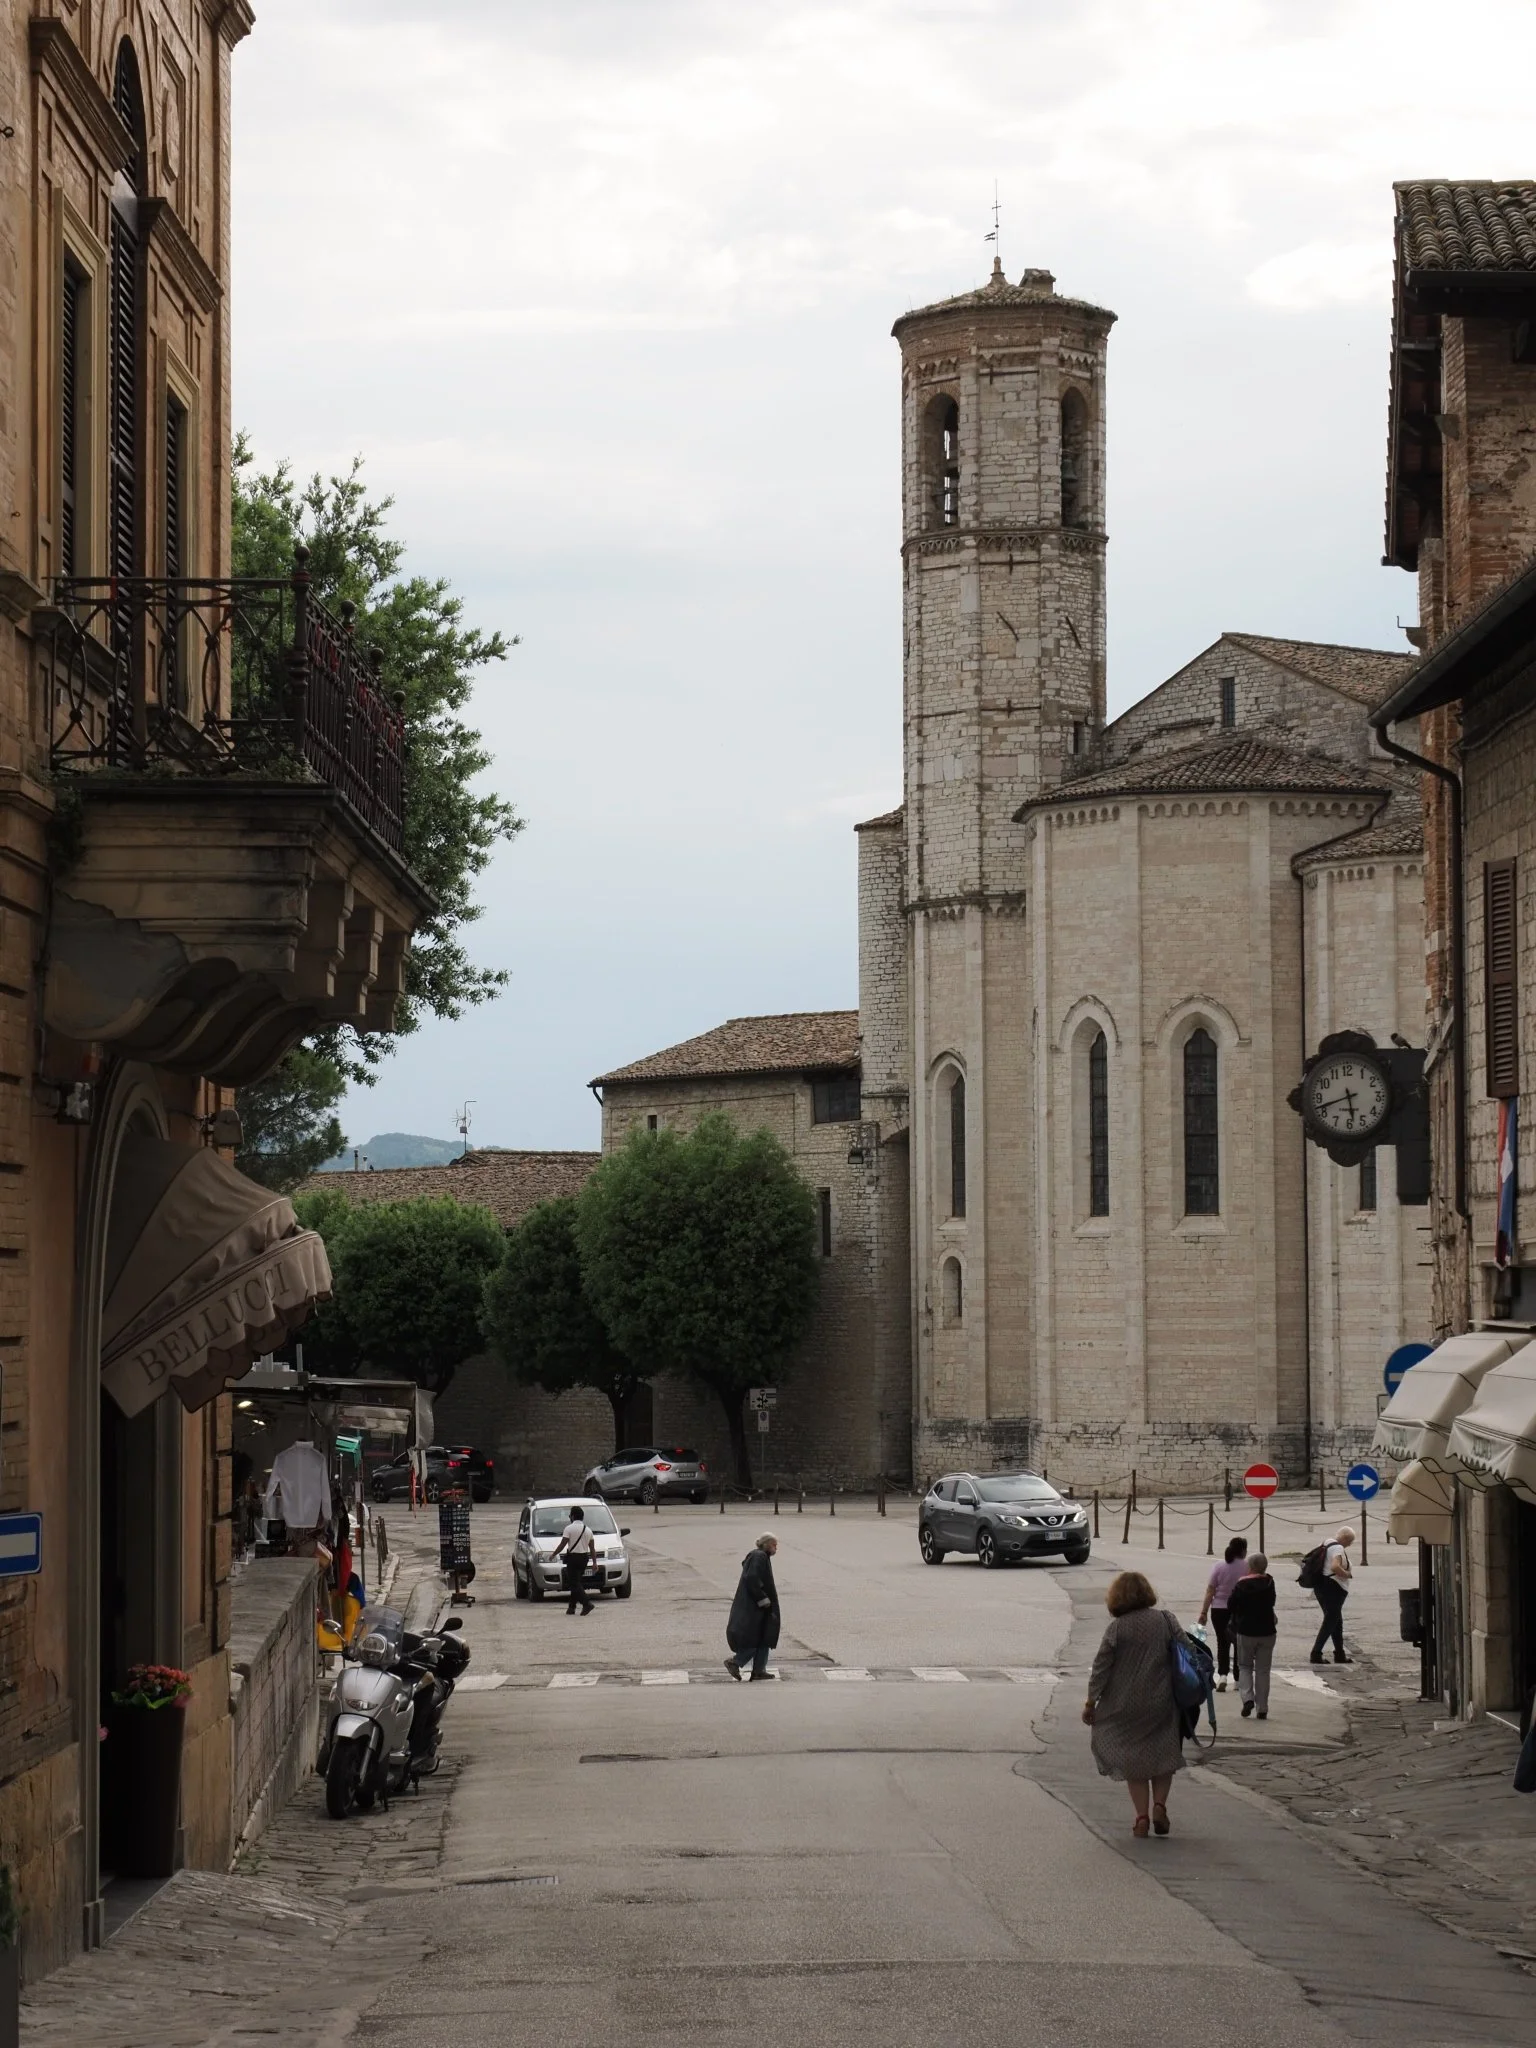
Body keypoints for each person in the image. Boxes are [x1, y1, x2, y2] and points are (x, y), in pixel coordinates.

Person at [1082, 1570, 1190, 1839]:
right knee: (1163, 1754)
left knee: (1134, 1759)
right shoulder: (1165, 1620)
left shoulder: (1117, 1628)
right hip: (1161, 1700)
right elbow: (1187, 1649)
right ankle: (1159, 1806)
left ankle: (1141, 1818)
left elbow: (1101, 1668)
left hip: (1123, 1704)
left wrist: (1091, 1702)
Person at [1227, 1551, 1277, 1719]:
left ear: (1252, 1567)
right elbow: (1272, 1602)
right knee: (1263, 1670)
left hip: (1246, 1630)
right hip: (1267, 1630)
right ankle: (1262, 1707)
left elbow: (1231, 1604)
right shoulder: (1269, 1582)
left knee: (1245, 1666)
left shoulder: (1241, 1584)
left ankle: (1247, 1698)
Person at [725, 1534, 780, 1681]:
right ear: (767, 1544)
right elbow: (751, 1578)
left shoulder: (761, 1556)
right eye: (774, 1545)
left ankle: (759, 1670)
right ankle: (735, 1662)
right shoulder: (758, 1556)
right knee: (754, 1638)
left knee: (764, 1636)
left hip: (757, 1606)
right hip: (753, 1606)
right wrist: (762, 1598)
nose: (776, 1548)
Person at [1196, 1536, 1249, 1692]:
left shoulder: (1219, 1566)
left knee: (1222, 1642)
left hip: (1218, 1609)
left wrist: (1204, 1612)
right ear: (1243, 1551)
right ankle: (1238, 1679)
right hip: (1240, 1609)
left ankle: (1223, 1676)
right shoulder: (1247, 1566)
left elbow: (1210, 1590)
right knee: (1239, 1643)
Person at [1309, 1526, 1355, 1665]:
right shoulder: (1338, 1548)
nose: (1349, 1545)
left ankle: (1339, 1653)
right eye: (1350, 1541)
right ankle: (1316, 1653)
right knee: (1330, 1621)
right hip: (1332, 1588)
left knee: (1336, 1620)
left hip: (1320, 1586)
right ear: (1345, 1538)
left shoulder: (1326, 1543)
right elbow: (1335, 1567)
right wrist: (1347, 1574)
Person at [551, 1505, 596, 1616]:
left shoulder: (569, 1528)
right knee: (577, 1583)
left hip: (573, 1558)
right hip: (584, 1559)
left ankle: (587, 1603)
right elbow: (592, 1548)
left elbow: (563, 1544)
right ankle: (571, 1607)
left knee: (574, 1584)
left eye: (570, 1515)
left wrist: (553, 1554)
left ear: (572, 1516)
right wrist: (595, 1563)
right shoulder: (588, 1530)